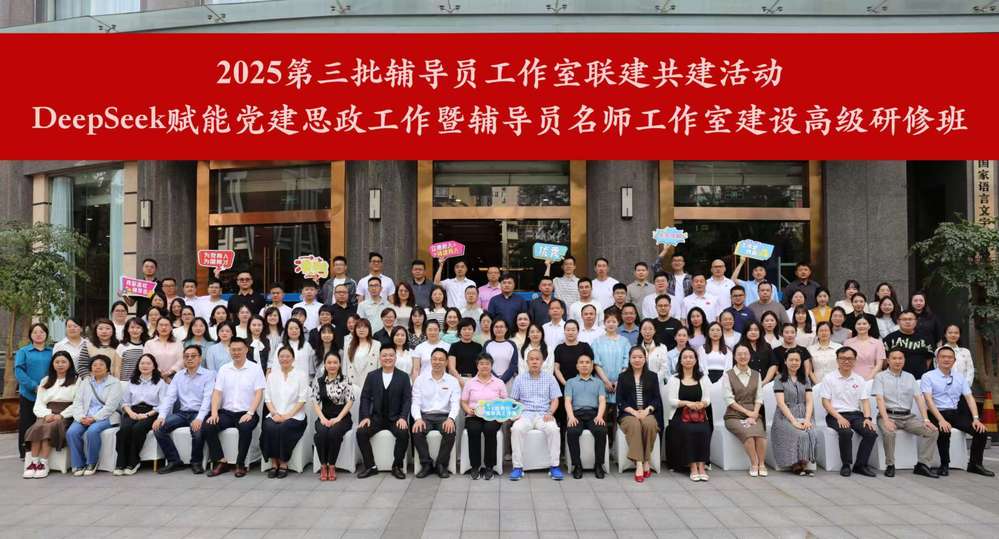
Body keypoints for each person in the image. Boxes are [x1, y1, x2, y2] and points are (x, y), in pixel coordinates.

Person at [922, 347, 994, 477]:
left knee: (981, 431)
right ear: (937, 359)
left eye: (950, 357)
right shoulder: (928, 376)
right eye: (943, 357)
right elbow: (928, 400)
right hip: (936, 412)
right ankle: (944, 465)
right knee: (944, 430)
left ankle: (975, 464)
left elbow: (969, 398)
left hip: (955, 412)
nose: (946, 359)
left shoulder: (959, 377)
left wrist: (976, 418)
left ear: (954, 360)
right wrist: (941, 420)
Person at [873, 348, 940, 478]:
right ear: (888, 360)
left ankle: (922, 465)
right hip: (888, 415)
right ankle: (890, 465)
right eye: (894, 358)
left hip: (907, 417)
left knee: (932, 431)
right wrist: (886, 420)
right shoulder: (880, 377)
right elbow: (879, 399)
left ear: (904, 360)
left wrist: (926, 420)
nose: (897, 361)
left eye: (900, 358)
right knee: (889, 433)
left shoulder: (910, 377)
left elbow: (919, 398)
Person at [203, 338, 265, 478]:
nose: (236, 352)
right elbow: (217, 392)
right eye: (233, 350)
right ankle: (221, 461)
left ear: (246, 350)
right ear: (229, 350)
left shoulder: (255, 369)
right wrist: (214, 413)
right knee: (208, 426)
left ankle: (240, 464)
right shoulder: (224, 369)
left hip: (247, 412)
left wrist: (250, 412)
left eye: (239, 349)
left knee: (245, 427)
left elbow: (258, 393)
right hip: (227, 413)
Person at [153, 344, 215, 475]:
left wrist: (200, 418)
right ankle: (174, 461)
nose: (189, 359)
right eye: (186, 356)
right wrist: (161, 417)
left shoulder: (209, 375)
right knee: (158, 428)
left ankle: (196, 462)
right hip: (182, 413)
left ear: (200, 358)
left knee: (197, 431)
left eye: (193, 356)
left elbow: (207, 399)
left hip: (200, 412)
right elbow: (169, 398)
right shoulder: (179, 376)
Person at [818, 346, 878, 477]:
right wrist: (839, 417)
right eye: (843, 358)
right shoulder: (829, 378)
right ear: (837, 360)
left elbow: (865, 401)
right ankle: (846, 464)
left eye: (850, 358)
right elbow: (825, 402)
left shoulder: (859, 379)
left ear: (855, 361)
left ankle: (860, 465)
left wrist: (868, 418)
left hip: (856, 415)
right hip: (835, 415)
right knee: (846, 432)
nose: (846, 361)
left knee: (871, 433)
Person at [356, 347, 412, 479]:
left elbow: (407, 400)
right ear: (380, 358)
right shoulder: (372, 376)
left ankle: (396, 466)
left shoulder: (403, 377)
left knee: (403, 433)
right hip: (376, 418)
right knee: (361, 432)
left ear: (395, 358)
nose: (388, 358)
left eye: (391, 355)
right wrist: (365, 417)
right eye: (384, 355)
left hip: (395, 419)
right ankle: (370, 466)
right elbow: (365, 397)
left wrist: (403, 417)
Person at [509, 349, 564, 481]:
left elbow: (555, 399)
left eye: (537, 359)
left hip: (544, 414)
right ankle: (517, 467)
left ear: (542, 361)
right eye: (531, 359)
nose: (534, 362)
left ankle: (554, 466)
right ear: (527, 362)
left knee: (553, 429)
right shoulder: (519, 378)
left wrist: (550, 412)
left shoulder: (550, 378)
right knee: (516, 429)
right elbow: (514, 401)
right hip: (525, 414)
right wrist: (516, 414)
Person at [23, 350, 77, 478]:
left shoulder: (77, 380)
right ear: (52, 364)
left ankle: (44, 463)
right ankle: (34, 463)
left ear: (70, 363)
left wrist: (61, 415)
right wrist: (46, 414)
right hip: (46, 413)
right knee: (37, 427)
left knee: (48, 427)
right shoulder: (45, 380)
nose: (60, 364)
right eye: (57, 362)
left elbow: (78, 403)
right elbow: (39, 403)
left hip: (65, 415)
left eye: (63, 362)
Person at [67, 355, 123, 476]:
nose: (97, 367)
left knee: (93, 430)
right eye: (94, 365)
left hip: (106, 416)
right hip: (85, 416)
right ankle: (78, 464)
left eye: (101, 364)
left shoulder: (114, 383)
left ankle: (92, 462)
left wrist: (94, 418)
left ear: (107, 368)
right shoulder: (85, 382)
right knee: (72, 432)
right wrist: (81, 417)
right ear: (90, 368)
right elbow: (77, 402)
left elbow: (111, 406)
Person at [411, 348, 461, 478]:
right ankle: (426, 464)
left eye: (441, 359)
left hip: (444, 416)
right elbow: (415, 402)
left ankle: (441, 465)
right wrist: (418, 419)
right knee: (417, 430)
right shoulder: (420, 380)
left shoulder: (452, 381)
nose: (437, 362)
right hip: (425, 416)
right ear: (430, 360)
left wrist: (451, 419)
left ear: (446, 362)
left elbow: (455, 403)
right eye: (435, 359)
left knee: (450, 431)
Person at [114, 353, 167, 475]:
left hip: (151, 412)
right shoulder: (132, 381)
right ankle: (120, 463)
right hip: (132, 410)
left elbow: (163, 404)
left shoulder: (160, 382)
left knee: (137, 429)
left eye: (148, 363)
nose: (145, 366)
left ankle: (133, 461)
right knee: (124, 429)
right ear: (138, 365)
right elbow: (125, 402)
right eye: (142, 363)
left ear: (154, 366)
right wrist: (130, 413)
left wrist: (147, 415)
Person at [261, 346, 309, 478]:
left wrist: (287, 416)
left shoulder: (301, 375)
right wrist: (275, 413)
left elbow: (302, 399)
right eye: (282, 356)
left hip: (295, 415)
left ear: (293, 358)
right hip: (275, 414)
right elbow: (267, 399)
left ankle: (283, 463)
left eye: (288, 356)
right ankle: (273, 462)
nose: (285, 359)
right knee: (268, 426)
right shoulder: (272, 376)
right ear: (278, 359)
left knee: (283, 428)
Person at [616, 346, 663, 482]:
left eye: (640, 357)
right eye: (634, 357)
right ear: (629, 359)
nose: (637, 360)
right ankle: (639, 464)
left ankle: (646, 460)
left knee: (650, 424)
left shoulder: (652, 376)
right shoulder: (623, 377)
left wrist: (647, 410)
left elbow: (656, 399)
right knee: (635, 425)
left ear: (645, 358)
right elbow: (619, 400)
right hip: (628, 413)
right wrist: (634, 412)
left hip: (647, 411)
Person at [665, 348, 712, 481]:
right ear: (680, 361)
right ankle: (693, 467)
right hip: (679, 414)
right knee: (688, 430)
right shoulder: (674, 378)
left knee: (704, 429)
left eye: (691, 357)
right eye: (685, 357)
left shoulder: (703, 378)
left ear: (696, 360)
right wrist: (687, 403)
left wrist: (702, 404)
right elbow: (671, 400)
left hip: (699, 414)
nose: (688, 360)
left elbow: (707, 399)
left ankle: (701, 466)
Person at [723, 344, 768, 477]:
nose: (743, 356)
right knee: (748, 435)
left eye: (745, 354)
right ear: (734, 356)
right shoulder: (728, 375)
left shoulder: (756, 374)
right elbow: (729, 400)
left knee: (760, 435)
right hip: (734, 415)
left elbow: (759, 397)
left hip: (754, 413)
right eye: (739, 354)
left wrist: (754, 414)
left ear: (750, 356)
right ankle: (754, 463)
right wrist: (748, 413)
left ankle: (762, 464)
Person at [770, 349, 817, 476]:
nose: (794, 362)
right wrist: (794, 421)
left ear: (801, 362)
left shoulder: (805, 379)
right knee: (799, 433)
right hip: (785, 416)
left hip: (804, 414)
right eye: (791, 360)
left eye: (797, 360)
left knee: (811, 432)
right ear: (785, 362)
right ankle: (795, 464)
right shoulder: (779, 379)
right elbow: (781, 403)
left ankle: (804, 463)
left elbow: (809, 401)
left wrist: (807, 419)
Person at [460, 353, 507, 480]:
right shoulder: (470, 383)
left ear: (491, 366)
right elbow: (463, 401)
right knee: (473, 430)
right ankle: (475, 466)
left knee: (490, 430)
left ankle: (489, 466)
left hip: (493, 416)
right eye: (481, 363)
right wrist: (468, 410)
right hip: (473, 415)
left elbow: (505, 401)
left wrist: (500, 414)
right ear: (477, 366)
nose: (484, 366)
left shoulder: (499, 382)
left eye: (487, 363)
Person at [312, 352, 353, 481]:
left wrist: (338, 418)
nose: (332, 365)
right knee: (321, 433)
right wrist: (322, 418)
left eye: (335, 362)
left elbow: (350, 401)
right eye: (329, 363)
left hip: (342, 417)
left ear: (339, 364)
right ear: (324, 364)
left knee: (334, 432)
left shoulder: (345, 380)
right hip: (324, 416)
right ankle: (323, 465)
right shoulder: (319, 381)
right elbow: (315, 402)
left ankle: (332, 466)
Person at [15, 323, 52, 460]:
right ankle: (25, 452)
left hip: (48, 393)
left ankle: (43, 452)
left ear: (46, 334)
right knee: (27, 422)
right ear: (30, 335)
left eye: (42, 332)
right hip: (29, 393)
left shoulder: (51, 351)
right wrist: (34, 386)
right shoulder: (23, 351)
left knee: (45, 422)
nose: (38, 334)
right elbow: (19, 371)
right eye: (35, 332)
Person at [592, 310, 630, 436]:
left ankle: (615, 443)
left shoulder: (624, 342)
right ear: (604, 323)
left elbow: (626, 362)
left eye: (614, 321)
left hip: (620, 383)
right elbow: (596, 363)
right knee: (602, 415)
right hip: (601, 382)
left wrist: (619, 381)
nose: (611, 324)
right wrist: (606, 381)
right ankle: (603, 442)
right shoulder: (597, 341)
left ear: (618, 323)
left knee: (617, 416)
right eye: (608, 321)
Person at [883, 310, 936, 379]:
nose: (907, 322)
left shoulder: (925, 337)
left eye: (910, 319)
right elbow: (885, 360)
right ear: (898, 322)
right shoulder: (889, 338)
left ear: (916, 321)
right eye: (904, 319)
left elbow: (929, 357)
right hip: (896, 378)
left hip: (920, 378)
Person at [344, 319, 381, 389]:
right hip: (352, 383)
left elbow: (379, 366)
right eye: (359, 327)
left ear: (369, 329)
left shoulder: (377, 344)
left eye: (364, 327)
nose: (361, 330)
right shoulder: (348, 345)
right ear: (355, 330)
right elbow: (345, 366)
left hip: (371, 383)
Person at [485, 318, 519, 384]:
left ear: (506, 329)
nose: (499, 329)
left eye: (501, 327)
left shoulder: (512, 344)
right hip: (490, 381)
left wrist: (503, 380)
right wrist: (496, 379)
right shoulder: (487, 344)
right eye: (496, 327)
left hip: (508, 381)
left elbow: (513, 365)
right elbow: (485, 363)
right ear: (492, 329)